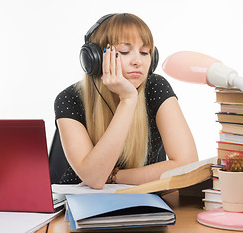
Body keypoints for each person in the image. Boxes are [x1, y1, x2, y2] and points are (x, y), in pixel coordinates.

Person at [54, 13, 198, 189]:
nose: (138, 61)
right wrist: (128, 100)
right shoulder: (69, 99)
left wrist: (115, 176)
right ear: (95, 58)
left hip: (141, 201)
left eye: (145, 52)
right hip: (78, 201)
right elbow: (94, 178)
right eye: (124, 51)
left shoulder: (156, 87)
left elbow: (187, 166)